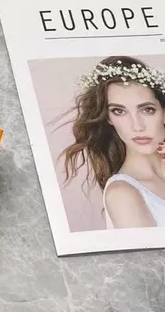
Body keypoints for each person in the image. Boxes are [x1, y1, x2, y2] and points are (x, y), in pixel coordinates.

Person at [62, 55, 165, 229]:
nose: (137, 126)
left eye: (147, 110)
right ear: (109, 118)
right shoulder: (122, 194)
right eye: (119, 111)